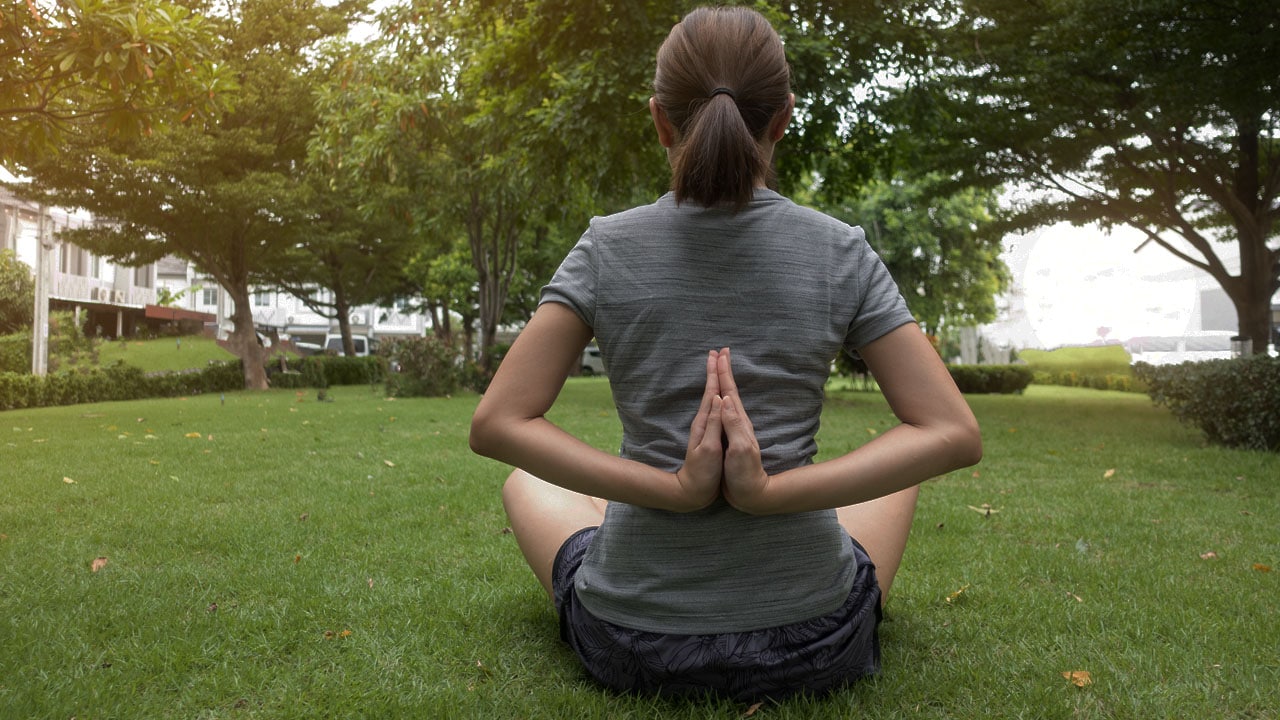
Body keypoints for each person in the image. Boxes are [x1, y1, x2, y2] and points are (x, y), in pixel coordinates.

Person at [469, 6, 982, 702]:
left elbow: (498, 423)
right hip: (815, 645)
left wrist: (671, 489)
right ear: (784, 118)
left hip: (633, 645)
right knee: (900, 474)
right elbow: (951, 434)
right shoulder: (840, 251)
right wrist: (770, 493)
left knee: (528, 483)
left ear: (659, 120)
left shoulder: (605, 247)